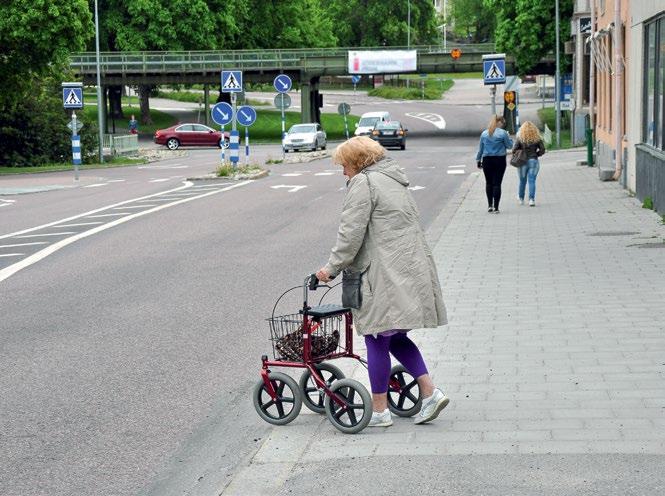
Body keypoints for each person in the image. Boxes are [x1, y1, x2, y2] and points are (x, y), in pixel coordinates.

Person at [315, 136, 449, 427]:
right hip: (409, 268)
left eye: (345, 165)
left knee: (376, 336)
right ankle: (429, 393)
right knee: (396, 337)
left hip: (384, 274)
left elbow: (350, 235)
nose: (343, 172)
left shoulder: (363, 183)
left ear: (358, 162)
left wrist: (330, 269)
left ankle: (379, 410)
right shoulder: (394, 179)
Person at [476, 115, 513, 213]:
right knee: (497, 183)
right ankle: (496, 207)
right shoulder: (503, 133)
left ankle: (490, 205)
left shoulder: (484, 133)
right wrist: (509, 138)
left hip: (487, 160)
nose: (503, 125)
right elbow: (509, 146)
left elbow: (480, 149)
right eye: (503, 123)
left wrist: (478, 160)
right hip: (499, 160)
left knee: (488, 183)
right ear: (499, 122)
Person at [513, 121, 545, 206]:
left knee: (522, 181)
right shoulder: (537, 138)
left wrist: (519, 153)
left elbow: (514, 150)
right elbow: (542, 150)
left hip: (522, 162)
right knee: (532, 180)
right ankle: (531, 200)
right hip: (533, 161)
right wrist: (536, 154)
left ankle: (521, 199)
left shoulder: (520, 138)